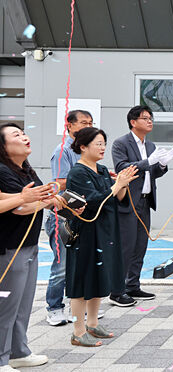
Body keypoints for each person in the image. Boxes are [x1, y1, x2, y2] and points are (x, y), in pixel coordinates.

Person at [0, 123, 66, 368]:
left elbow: (37, 198)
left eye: (23, 133)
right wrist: (47, 201)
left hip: (28, 244)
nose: (24, 137)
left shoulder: (25, 170)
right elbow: (21, 207)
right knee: (6, 305)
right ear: (3, 146)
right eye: (16, 135)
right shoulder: (2, 171)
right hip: (9, 247)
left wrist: (51, 199)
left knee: (23, 304)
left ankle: (18, 352)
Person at [65, 128, 137, 347]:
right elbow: (93, 200)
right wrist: (116, 185)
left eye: (104, 143)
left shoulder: (103, 169)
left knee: (99, 277)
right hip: (86, 232)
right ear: (83, 146)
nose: (103, 147)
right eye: (98, 143)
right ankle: (78, 331)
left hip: (105, 230)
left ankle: (93, 323)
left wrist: (123, 184)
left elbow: (117, 198)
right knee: (81, 282)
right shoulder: (77, 173)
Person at [109, 105, 172, 306]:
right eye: (145, 118)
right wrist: (147, 161)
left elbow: (152, 173)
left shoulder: (150, 145)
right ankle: (117, 290)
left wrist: (162, 165)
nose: (150, 121)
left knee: (140, 246)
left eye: (151, 117)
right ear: (133, 122)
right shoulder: (121, 143)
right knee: (126, 247)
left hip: (145, 201)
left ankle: (132, 285)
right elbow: (122, 168)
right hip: (128, 201)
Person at [45, 109, 93, 325]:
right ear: (70, 125)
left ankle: (79, 307)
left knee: (81, 264)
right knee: (61, 267)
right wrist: (86, 177)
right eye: (83, 122)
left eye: (90, 122)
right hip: (62, 217)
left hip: (81, 215)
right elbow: (60, 182)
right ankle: (54, 308)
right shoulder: (62, 150)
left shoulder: (85, 150)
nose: (88, 126)